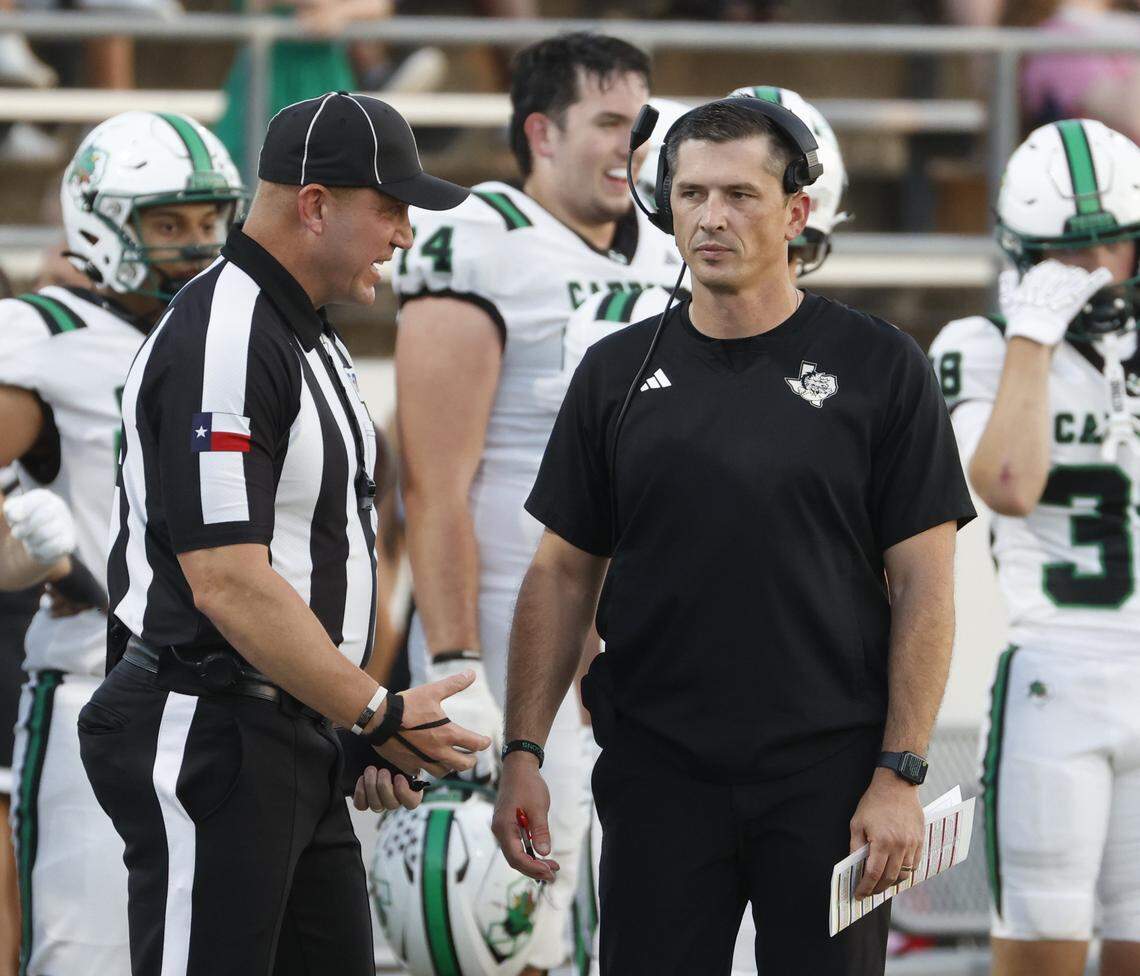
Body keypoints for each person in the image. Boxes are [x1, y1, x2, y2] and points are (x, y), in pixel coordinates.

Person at [491, 96, 976, 975]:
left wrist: (900, 773)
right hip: (657, 775)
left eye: (741, 195)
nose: (711, 217)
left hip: (830, 778)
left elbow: (927, 585)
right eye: (690, 194)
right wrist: (522, 749)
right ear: (663, 204)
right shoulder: (613, 371)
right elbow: (562, 575)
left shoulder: (882, 366)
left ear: (796, 211)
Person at [77, 91, 491, 976]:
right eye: (389, 207)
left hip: (284, 727)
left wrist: (350, 726)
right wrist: (374, 709)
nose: (405, 234)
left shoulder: (302, 327)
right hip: (212, 722)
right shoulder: (228, 333)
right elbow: (226, 579)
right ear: (314, 204)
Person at [391, 32, 680, 974]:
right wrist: (458, 662)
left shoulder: (670, 244)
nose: (628, 146)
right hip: (522, 645)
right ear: (540, 133)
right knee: (513, 932)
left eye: (638, 125)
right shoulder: (483, 240)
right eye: (606, 123)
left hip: (646, 645)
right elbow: (436, 484)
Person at [0, 109, 247, 976]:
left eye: (210, 222)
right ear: (100, 222)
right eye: (168, 223)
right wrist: (19, 552)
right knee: (87, 959)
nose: (195, 243)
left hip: (238, 703)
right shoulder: (47, 336)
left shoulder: (239, 332)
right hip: (94, 690)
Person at [929, 117, 1140, 976]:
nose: (1094, 271)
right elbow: (1008, 483)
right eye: (1067, 252)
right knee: (1043, 950)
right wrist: (1033, 339)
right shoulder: (977, 347)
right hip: (1057, 675)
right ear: (1021, 251)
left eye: (1112, 247)